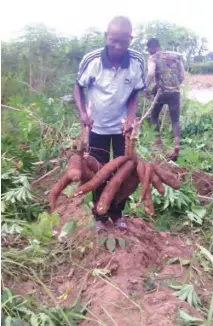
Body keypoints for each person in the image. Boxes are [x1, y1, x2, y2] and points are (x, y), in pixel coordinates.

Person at [73, 16, 145, 233]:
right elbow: (78, 87)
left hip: (123, 129)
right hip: (97, 127)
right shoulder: (92, 59)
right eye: (113, 40)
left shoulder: (137, 61)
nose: (117, 46)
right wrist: (83, 113)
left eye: (123, 42)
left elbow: (135, 92)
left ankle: (117, 212)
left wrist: (131, 117)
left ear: (130, 40)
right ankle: (99, 215)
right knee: (99, 173)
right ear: (106, 36)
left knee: (123, 173)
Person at [145, 38, 185, 161]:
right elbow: (182, 75)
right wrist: (175, 85)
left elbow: (151, 73)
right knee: (175, 120)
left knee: (154, 116)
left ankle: (158, 143)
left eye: (149, 49)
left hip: (161, 92)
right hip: (175, 92)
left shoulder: (153, 58)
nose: (149, 52)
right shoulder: (176, 56)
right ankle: (177, 145)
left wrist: (145, 87)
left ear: (152, 47)